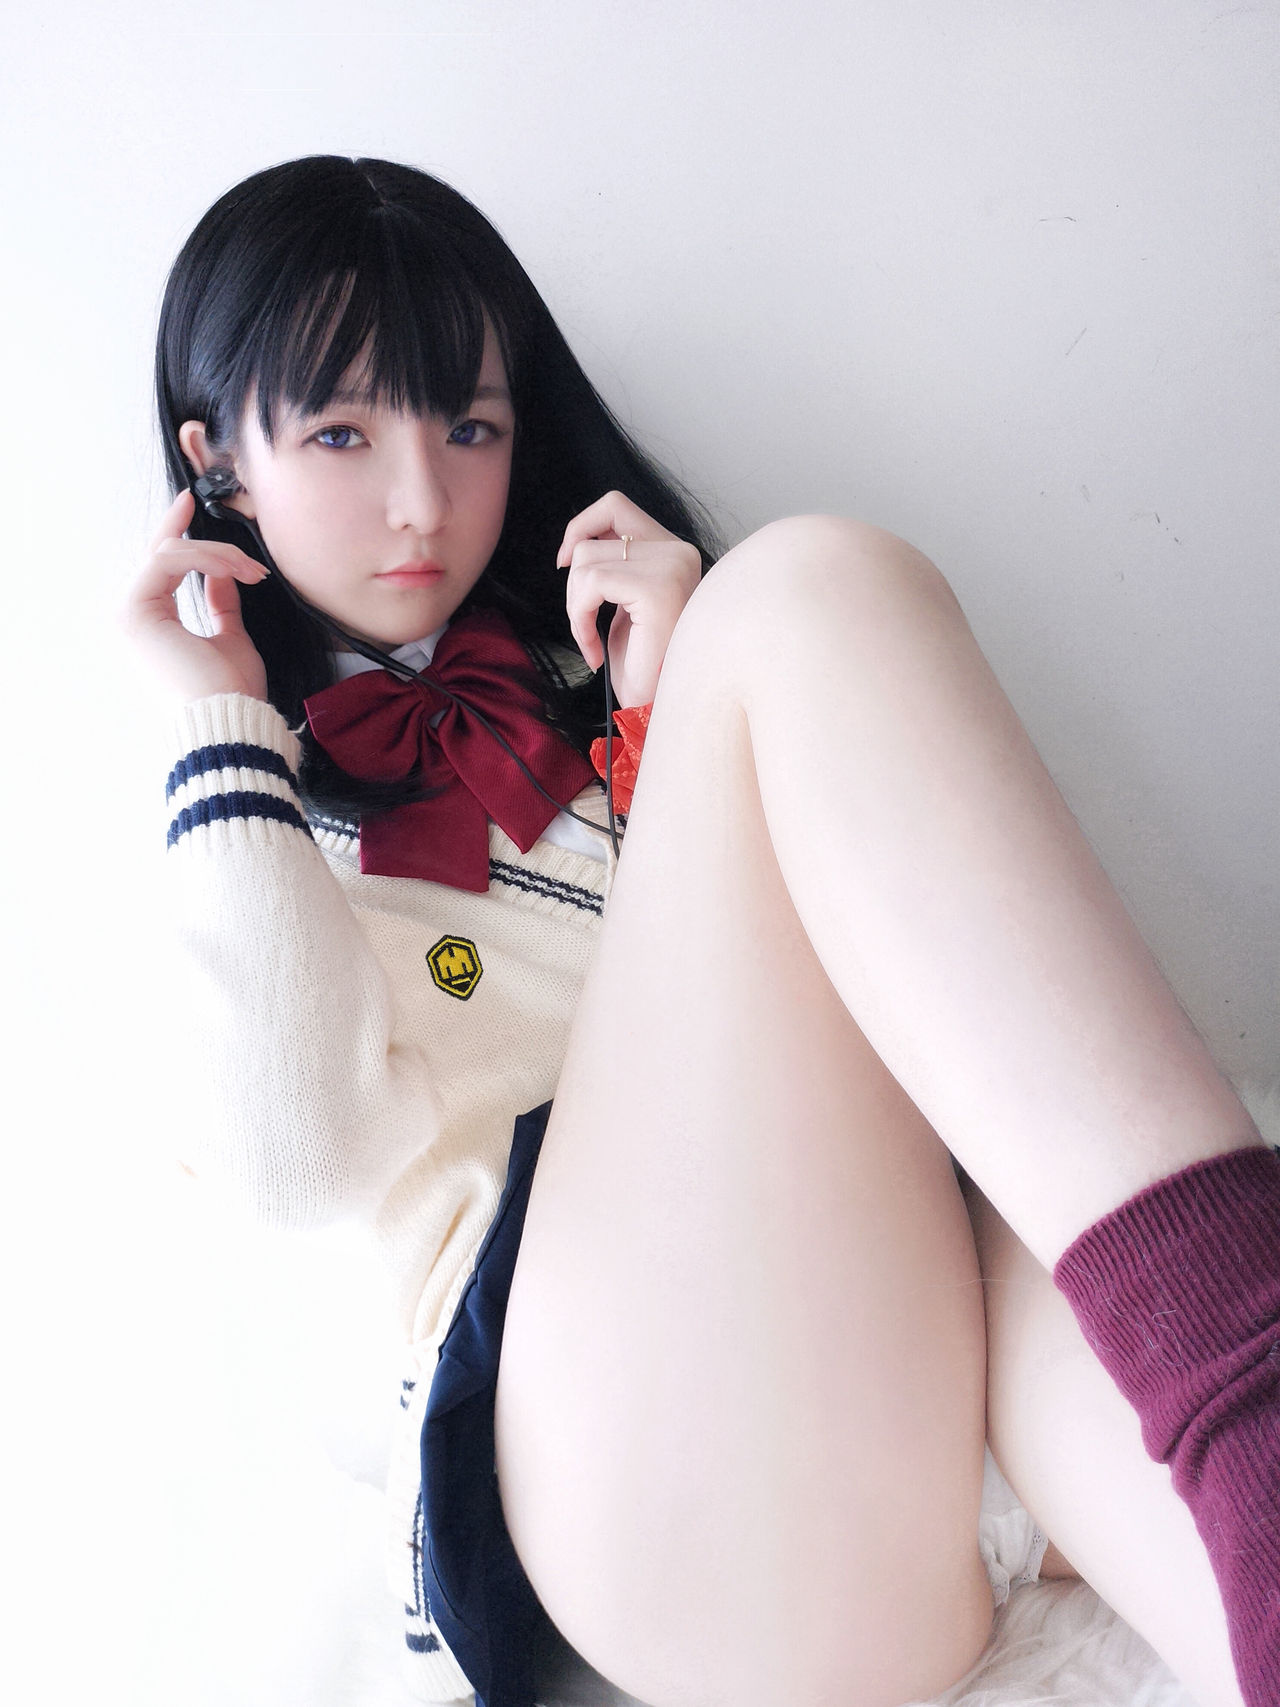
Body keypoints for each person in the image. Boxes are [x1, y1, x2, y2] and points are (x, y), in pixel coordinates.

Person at [124, 155, 1278, 1707]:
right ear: (215, 465)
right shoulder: (244, 840)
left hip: (913, 1433)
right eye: (341, 433)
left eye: (470, 425)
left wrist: (672, 730)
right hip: (634, 1484)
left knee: (1048, 1219)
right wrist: (220, 738)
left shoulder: (601, 695)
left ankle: (1244, 1418)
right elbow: (299, 1162)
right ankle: (1242, 1350)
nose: (423, 501)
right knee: (803, 586)